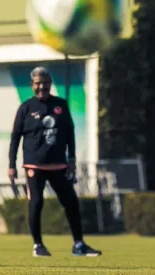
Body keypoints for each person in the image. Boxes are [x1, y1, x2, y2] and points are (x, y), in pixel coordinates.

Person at [8, 66, 102, 257]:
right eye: (37, 83)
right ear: (31, 85)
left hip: (59, 164)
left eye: (45, 83)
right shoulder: (25, 108)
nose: (42, 87)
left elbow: (69, 133)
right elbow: (15, 137)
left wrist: (73, 158)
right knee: (36, 203)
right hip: (35, 165)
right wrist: (12, 165)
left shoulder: (61, 104)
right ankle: (38, 246)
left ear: (50, 83)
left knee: (71, 203)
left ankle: (79, 245)